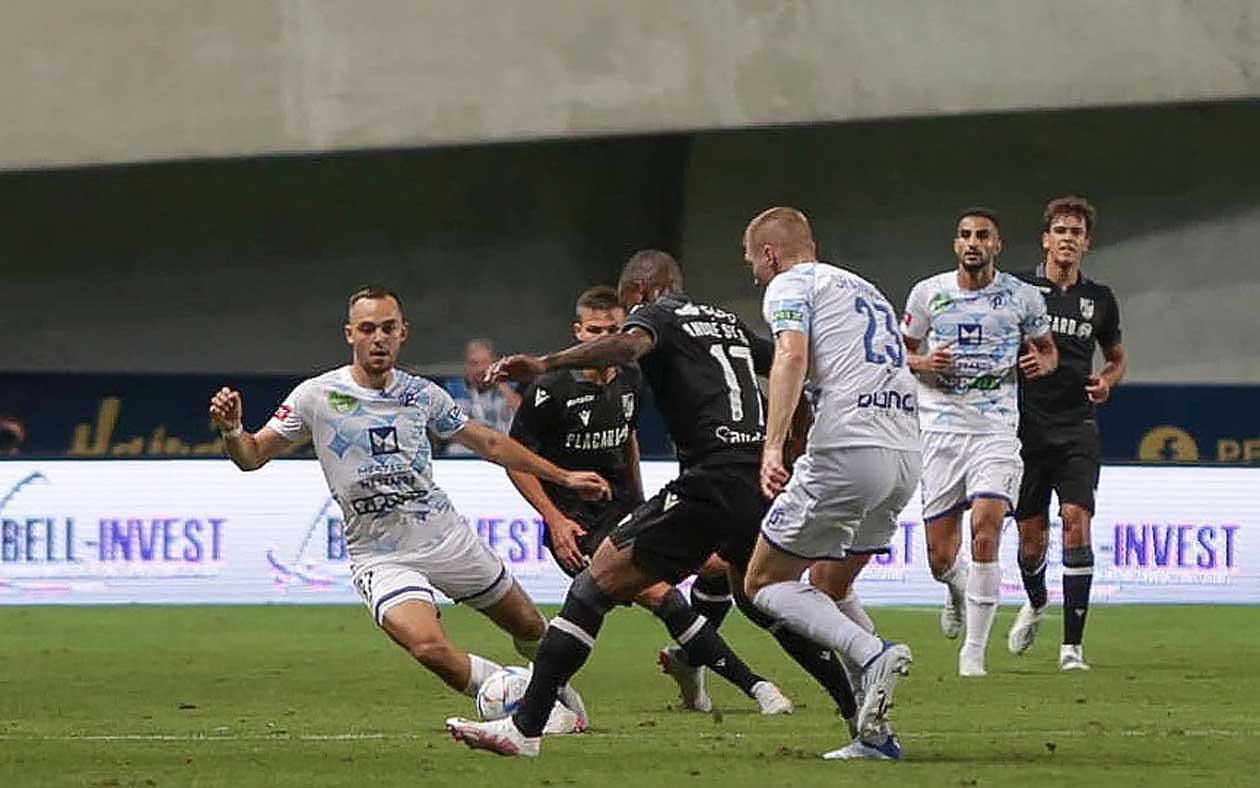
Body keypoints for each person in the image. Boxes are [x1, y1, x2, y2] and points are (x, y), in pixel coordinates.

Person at [446, 250, 858, 758]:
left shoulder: (657, 317)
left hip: (709, 481)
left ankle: (525, 728)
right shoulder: (726, 321)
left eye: (624, 312)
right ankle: (861, 714)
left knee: (594, 586)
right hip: (754, 478)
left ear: (638, 294)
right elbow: (789, 363)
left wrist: (545, 361)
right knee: (760, 596)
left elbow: (627, 345)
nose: (622, 327)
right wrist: (794, 442)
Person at [208, 286, 610, 727]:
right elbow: (252, 456)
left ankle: (555, 693)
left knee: (531, 627)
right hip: (381, 556)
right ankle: (515, 696)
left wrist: (564, 477)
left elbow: (492, 443)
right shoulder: (316, 396)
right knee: (429, 648)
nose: (378, 338)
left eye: (388, 328)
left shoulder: (422, 395)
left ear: (403, 333)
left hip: (446, 538)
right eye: (368, 329)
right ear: (350, 334)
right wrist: (233, 431)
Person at [506, 285, 791, 714]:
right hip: (579, 521)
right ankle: (757, 687)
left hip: (621, 508)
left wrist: (640, 501)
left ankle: (689, 669)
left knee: (717, 568)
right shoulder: (550, 388)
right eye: (595, 330)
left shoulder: (633, 376)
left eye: (613, 330)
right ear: (578, 332)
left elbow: (629, 438)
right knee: (663, 596)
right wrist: (555, 519)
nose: (605, 338)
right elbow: (516, 459)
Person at [739, 207, 922, 761]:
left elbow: (791, 355)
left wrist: (772, 445)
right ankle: (875, 735)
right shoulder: (865, 289)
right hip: (905, 454)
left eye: (752, 262)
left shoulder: (790, 284)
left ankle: (871, 651)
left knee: (762, 581)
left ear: (770, 254)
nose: (754, 274)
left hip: (848, 447)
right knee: (830, 586)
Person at [901, 208, 1059, 678]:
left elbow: (1047, 349)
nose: (973, 242)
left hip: (995, 430)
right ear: (956, 245)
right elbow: (901, 351)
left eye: (982, 236)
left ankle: (973, 653)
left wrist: (1043, 364)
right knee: (940, 558)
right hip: (940, 433)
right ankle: (955, 589)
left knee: (986, 528)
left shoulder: (1022, 296)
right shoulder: (928, 293)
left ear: (997, 245)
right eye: (966, 235)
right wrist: (923, 363)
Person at [1007, 196, 1126, 671]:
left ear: (1086, 243)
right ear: (1046, 239)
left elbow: (1116, 357)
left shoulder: (1100, 298)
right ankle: (1037, 601)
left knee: (1077, 518)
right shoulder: (1020, 289)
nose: (1068, 239)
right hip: (1025, 428)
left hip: (1077, 426)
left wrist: (1107, 381)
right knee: (1031, 540)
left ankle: (1071, 648)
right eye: (1061, 231)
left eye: (1076, 233)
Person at [444, 338, 520, 456]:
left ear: (494, 363)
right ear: (467, 366)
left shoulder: (511, 387)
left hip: (503, 449)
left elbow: (522, 414)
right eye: (474, 364)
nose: (480, 369)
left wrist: (500, 383)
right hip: (467, 450)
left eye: (485, 363)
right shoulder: (454, 389)